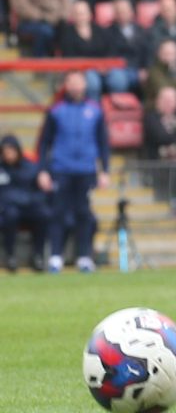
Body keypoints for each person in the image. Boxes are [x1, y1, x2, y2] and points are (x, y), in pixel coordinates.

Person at [36, 71, 108, 274]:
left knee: (84, 214)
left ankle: (84, 256)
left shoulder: (95, 110)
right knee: (58, 213)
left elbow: (103, 143)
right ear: (65, 85)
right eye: (72, 82)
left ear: (85, 85)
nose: (76, 87)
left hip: (86, 170)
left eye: (79, 82)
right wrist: (43, 170)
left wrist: (105, 170)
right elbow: (44, 143)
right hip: (61, 168)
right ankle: (55, 256)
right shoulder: (56, 110)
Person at [1, 134, 49, 273]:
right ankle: (10, 256)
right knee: (11, 215)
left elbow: (38, 192)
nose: (8, 155)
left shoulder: (30, 167)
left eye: (11, 151)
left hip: (28, 206)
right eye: (5, 152)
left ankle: (38, 256)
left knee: (43, 214)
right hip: (8, 208)